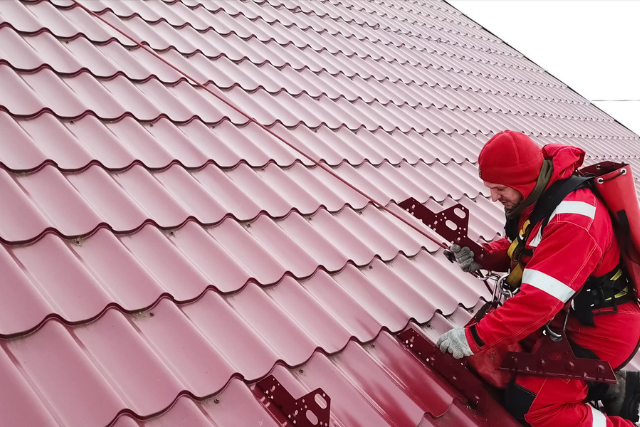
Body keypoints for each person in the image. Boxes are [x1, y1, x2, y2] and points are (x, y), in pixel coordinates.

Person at [436, 130, 640, 426]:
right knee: (497, 359)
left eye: (499, 188)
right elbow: (526, 247)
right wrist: (482, 255)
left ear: (522, 182)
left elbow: (537, 302)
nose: (493, 197)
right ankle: (613, 387)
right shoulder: (545, 194)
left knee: (531, 405)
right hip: (568, 316)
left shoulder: (575, 220)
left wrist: (473, 338)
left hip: (601, 331)